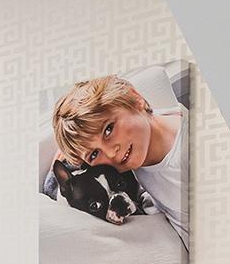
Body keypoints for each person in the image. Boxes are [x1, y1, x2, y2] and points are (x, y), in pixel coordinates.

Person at [49, 75, 187, 239]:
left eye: (108, 129)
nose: (110, 153)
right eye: (94, 153)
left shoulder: (187, 155)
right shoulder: (142, 140)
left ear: (136, 99)